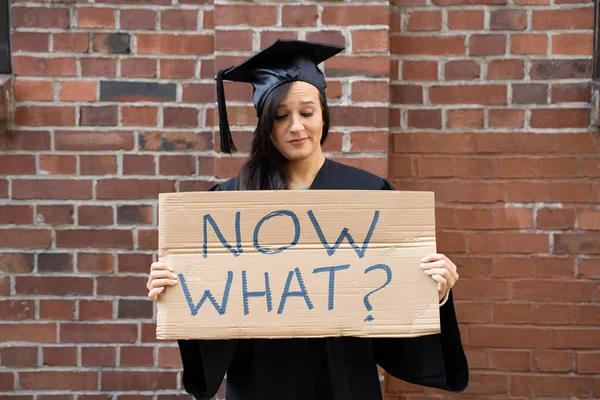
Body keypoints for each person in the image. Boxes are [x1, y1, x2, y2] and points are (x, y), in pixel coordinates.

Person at [147, 40, 468, 400]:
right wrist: (176, 287)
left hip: (346, 382)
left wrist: (435, 293)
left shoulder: (368, 195)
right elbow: (214, 310)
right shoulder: (232, 203)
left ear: (324, 114)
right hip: (261, 383)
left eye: (307, 112)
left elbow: (392, 310)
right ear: (265, 124)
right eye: (282, 116)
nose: (297, 127)